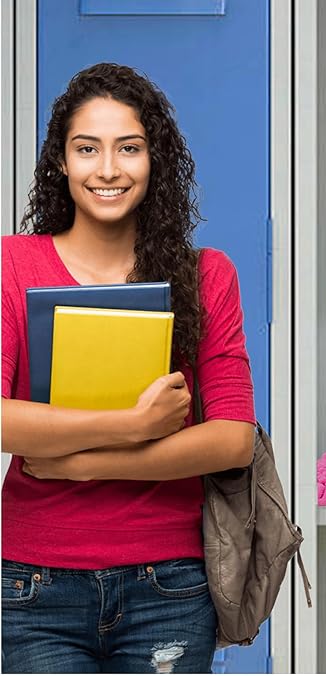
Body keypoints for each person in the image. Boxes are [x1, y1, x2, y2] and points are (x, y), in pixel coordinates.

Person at [1, 62, 256, 673]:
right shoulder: (11, 266)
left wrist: (88, 463)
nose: (109, 169)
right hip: (32, 583)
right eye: (87, 149)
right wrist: (132, 422)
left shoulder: (205, 274)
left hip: (169, 584)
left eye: (130, 149)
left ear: (155, 159)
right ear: (61, 162)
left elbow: (234, 439)